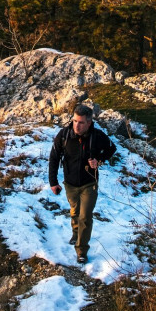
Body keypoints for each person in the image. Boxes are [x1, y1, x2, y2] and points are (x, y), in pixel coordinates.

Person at [48, 104, 117, 264]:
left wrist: (99, 160)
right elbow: (54, 158)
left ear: (89, 123)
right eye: (74, 121)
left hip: (89, 183)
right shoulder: (64, 135)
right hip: (69, 183)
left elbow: (112, 148)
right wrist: (53, 182)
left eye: (80, 122)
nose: (76, 125)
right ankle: (75, 231)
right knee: (75, 211)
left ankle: (81, 250)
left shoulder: (97, 136)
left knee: (85, 216)